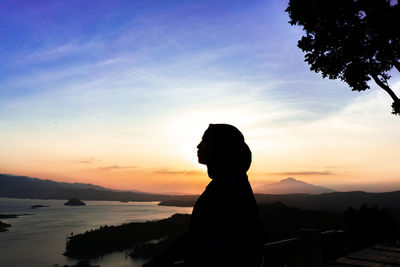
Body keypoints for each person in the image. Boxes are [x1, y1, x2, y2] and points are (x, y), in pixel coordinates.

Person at [146, 124, 265, 267]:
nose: (198, 146)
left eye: (204, 141)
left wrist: (158, 262)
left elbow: (198, 236)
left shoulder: (225, 189)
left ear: (219, 148)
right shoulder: (235, 182)